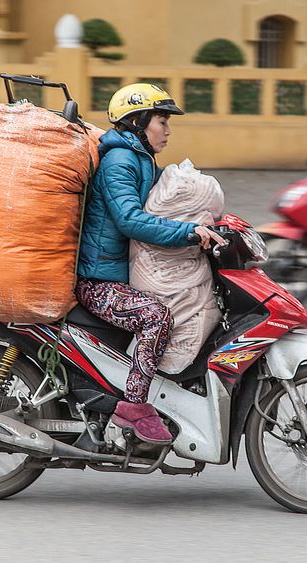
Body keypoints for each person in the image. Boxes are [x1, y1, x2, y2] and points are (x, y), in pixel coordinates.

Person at [75, 83, 226, 445]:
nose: (168, 130)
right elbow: (129, 219)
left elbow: (168, 205)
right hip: (98, 281)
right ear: (138, 121)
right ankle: (132, 407)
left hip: (117, 274)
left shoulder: (140, 158)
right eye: (162, 120)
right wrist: (190, 232)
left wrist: (211, 220)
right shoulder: (119, 161)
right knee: (156, 317)